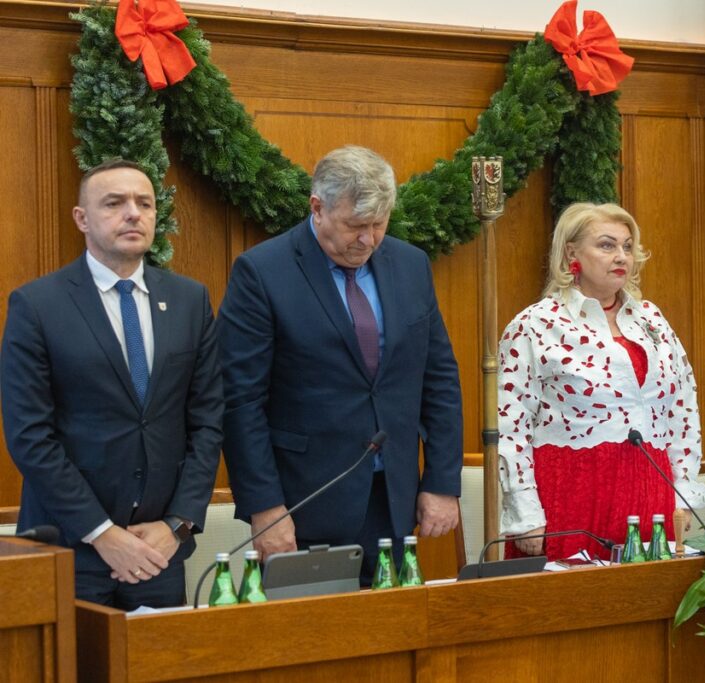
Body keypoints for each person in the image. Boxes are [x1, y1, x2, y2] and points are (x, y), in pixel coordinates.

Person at [218, 145, 462, 585]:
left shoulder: (410, 265)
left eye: (378, 224)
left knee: (393, 625)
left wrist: (442, 481)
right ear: (317, 208)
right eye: (355, 226)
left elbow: (439, 378)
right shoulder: (262, 272)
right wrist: (266, 508)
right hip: (304, 506)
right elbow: (240, 401)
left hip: (393, 500)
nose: (367, 240)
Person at [1, 159, 222, 609]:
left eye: (145, 203)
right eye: (114, 203)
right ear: (82, 218)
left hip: (159, 551)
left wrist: (177, 525)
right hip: (70, 548)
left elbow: (208, 422)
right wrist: (102, 533)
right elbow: (30, 436)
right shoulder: (37, 306)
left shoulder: (189, 300)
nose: (133, 214)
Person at [498, 202, 705, 560]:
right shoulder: (536, 325)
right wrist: (525, 515)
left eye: (627, 246)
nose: (621, 256)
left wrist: (683, 492)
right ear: (571, 254)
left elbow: (682, 408)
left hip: (651, 493)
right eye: (607, 245)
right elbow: (510, 427)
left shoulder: (651, 320)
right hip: (571, 493)